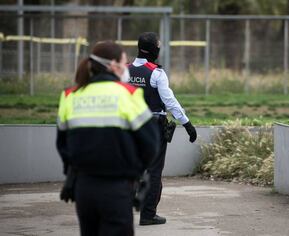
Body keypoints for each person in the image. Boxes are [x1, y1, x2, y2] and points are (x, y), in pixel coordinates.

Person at [56, 41, 160, 235]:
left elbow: (62, 145)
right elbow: (151, 143)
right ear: (113, 65)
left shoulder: (70, 95)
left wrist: (74, 171)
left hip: (83, 188)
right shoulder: (128, 94)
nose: (126, 66)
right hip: (117, 187)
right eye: (124, 61)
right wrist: (135, 171)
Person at [128, 32, 197, 225]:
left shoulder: (125, 71)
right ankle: (148, 215)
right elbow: (170, 102)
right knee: (153, 171)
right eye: (158, 46)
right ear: (153, 50)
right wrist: (187, 124)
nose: (159, 49)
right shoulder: (157, 73)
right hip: (152, 127)